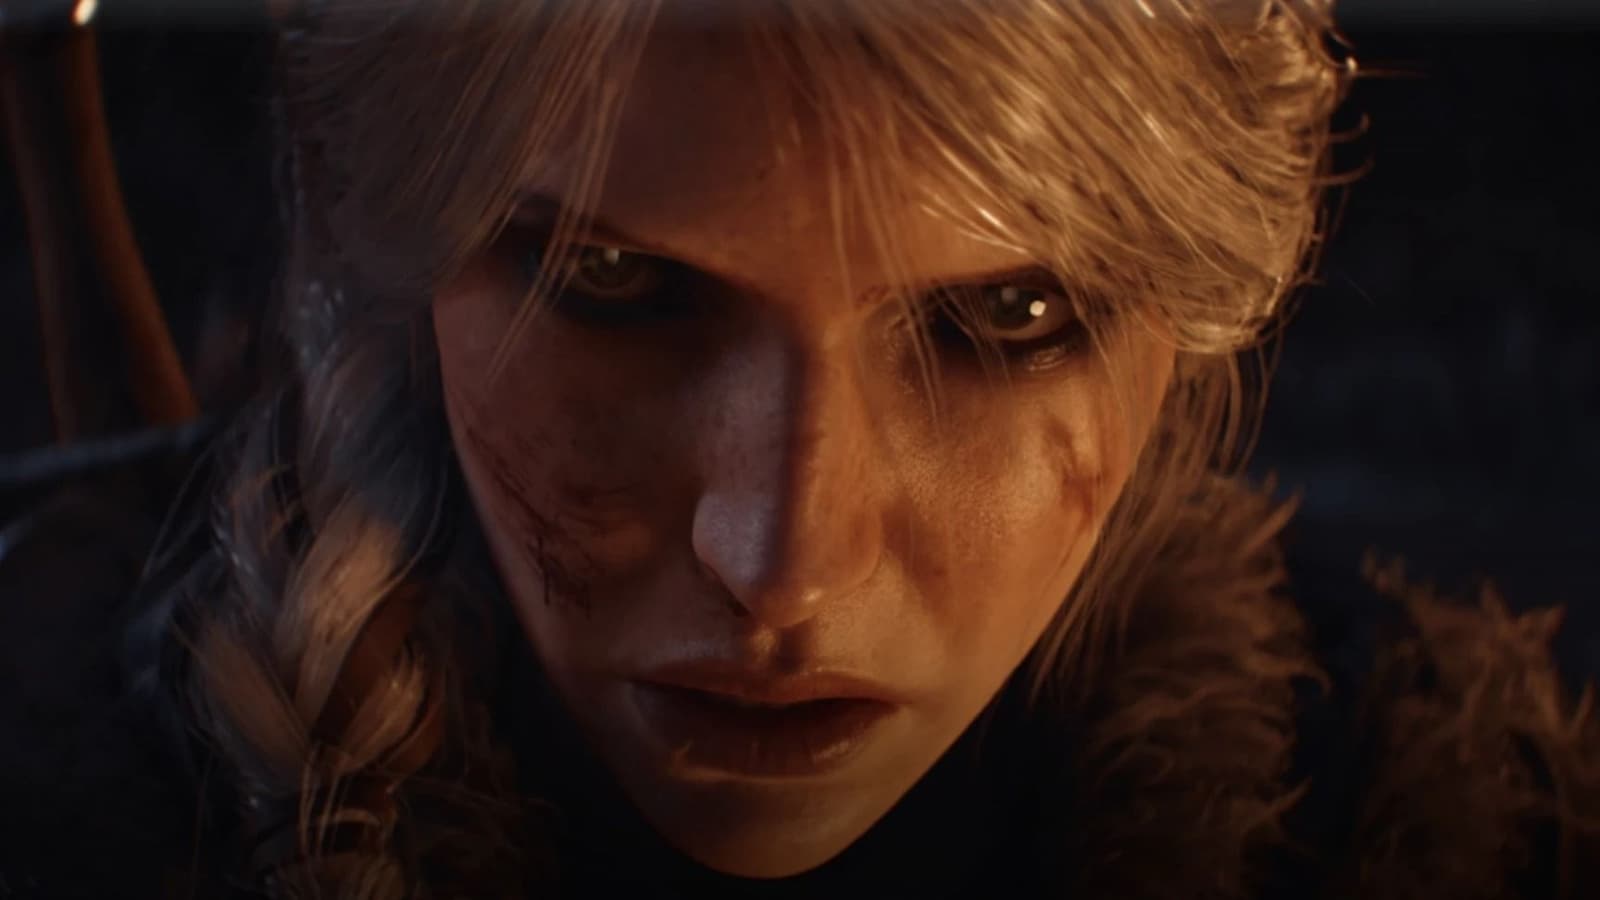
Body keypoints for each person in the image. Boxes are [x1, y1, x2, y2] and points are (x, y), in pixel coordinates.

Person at [1, 0, 1595, 897]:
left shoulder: (1454, 839)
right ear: (396, 246)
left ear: (1194, 308)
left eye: (1006, 315)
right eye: (612, 283)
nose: (781, 565)